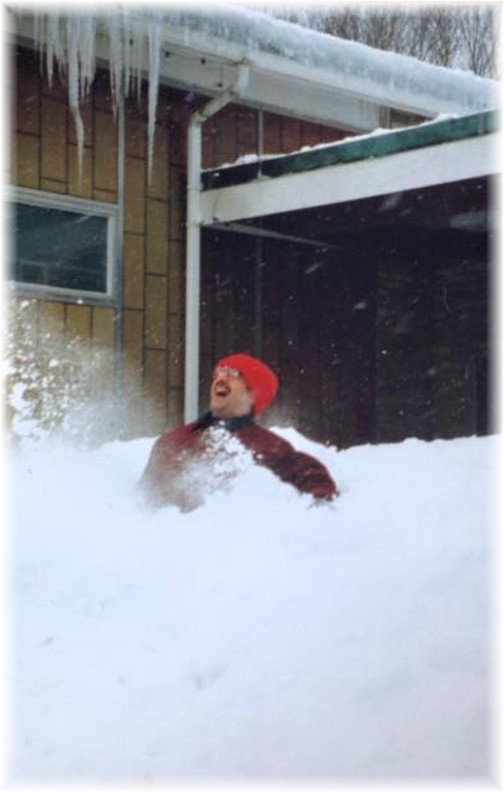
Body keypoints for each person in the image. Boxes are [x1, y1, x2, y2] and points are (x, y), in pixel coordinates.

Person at [139, 353, 338, 512]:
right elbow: (142, 499)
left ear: (253, 394)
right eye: (218, 372)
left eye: (232, 374)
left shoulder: (269, 447)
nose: (220, 378)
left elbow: (315, 482)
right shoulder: (173, 441)